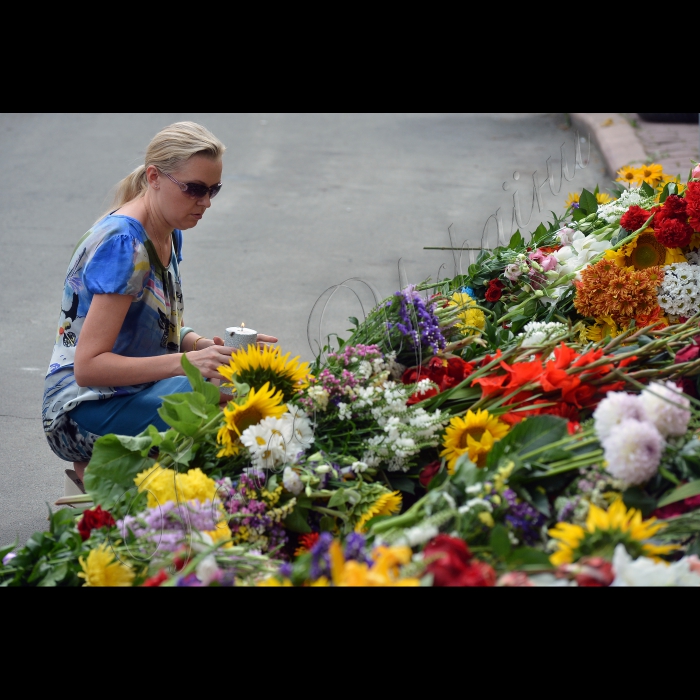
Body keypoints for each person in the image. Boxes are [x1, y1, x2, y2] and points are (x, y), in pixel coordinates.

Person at [42, 121, 277, 488]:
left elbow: (146, 327)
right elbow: (88, 367)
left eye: (214, 189)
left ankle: (123, 472)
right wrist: (187, 364)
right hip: (80, 411)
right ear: (154, 176)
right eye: (195, 189)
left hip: (129, 392)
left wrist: (202, 346)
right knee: (226, 399)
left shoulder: (168, 230)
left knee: (244, 379)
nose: (206, 202)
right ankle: (115, 468)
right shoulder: (125, 246)